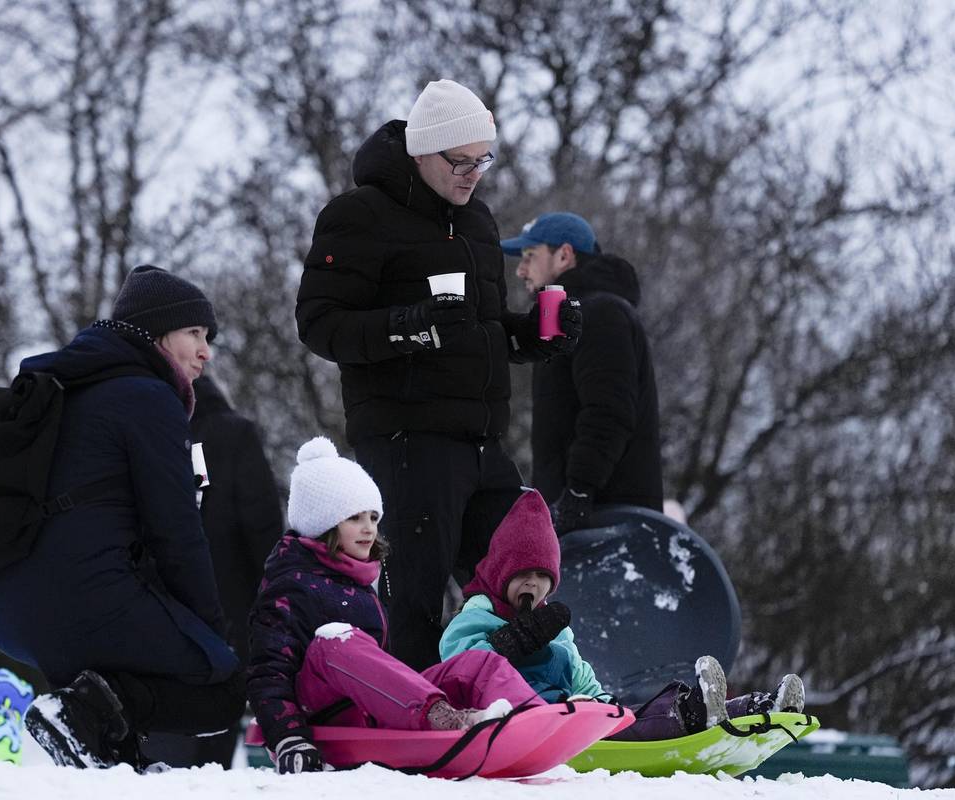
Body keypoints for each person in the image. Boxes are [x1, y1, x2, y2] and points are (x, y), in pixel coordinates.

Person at [295, 79, 581, 669]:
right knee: (414, 602)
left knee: (520, 577)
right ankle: (414, 710)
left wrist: (533, 336)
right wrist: (411, 326)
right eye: (461, 161)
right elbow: (320, 325)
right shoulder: (359, 215)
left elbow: (481, 329)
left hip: (482, 441)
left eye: (483, 160)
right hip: (407, 439)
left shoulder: (476, 221)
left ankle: (518, 697)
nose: (473, 174)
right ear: (423, 151)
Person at [0, 264, 245, 770]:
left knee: (117, 680)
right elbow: (176, 533)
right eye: (195, 333)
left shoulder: (71, 386)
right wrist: (208, 632)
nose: (206, 351)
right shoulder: (148, 397)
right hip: (79, 600)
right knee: (222, 685)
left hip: (3, 608)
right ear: (156, 333)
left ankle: (105, 750)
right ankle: (79, 712)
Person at [247, 437, 543, 774]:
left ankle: (534, 718)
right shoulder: (290, 586)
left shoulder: (360, 585)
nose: (369, 529)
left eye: (374, 517)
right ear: (323, 523)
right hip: (320, 715)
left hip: (375, 706)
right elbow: (268, 672)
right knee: (335, 641)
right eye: (354, 518)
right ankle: (444, 718)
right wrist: (288, 737)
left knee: (476, 664)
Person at [439, 490, 805, 741]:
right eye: (522, 575)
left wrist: (606, 705)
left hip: (568, 716)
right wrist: (512, 642)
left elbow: (581, 677)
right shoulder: (478, 616)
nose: (532, 584)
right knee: (637, 722)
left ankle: (753, 710)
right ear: (501, 574)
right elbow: (457, 671)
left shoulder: (554, 628)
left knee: (628, 715)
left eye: (542, 576)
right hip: (528, 723)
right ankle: (693, 713)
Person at [147, 374, 283, 769]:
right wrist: (271, 594)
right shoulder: (235, 434)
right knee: (217, 708)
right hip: (228, 600)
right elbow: (262, 523)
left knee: (165, 714)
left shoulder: (149, 432)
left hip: (160, 602)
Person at [500, 212, 663, 533]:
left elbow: (608, 413)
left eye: (530, 256)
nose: (520, 270)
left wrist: (578, 492)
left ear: (564, 255)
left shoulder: (601, 314)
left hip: (608, 521)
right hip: (583, 518)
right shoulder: (565, 319)